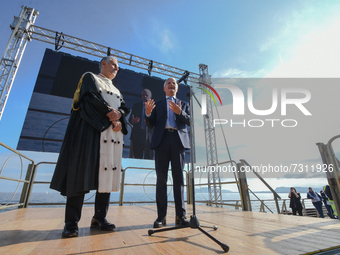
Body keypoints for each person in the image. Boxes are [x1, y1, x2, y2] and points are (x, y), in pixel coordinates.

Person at [50, 56, 130, 238]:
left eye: (118, 66)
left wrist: (119, 115)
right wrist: (113, 117)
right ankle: (71, 222)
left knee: (107, 177)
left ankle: (99, 218)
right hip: (91, 131)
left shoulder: (117, 90)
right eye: (113, 64)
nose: (116, 68)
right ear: (103, 64)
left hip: (112, 135)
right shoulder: (90, 77)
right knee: (80, 174)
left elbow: (125, 108)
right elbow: (90, 99)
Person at [145, 77, 190, 228]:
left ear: (177, 88)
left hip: (178, 141)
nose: (171, 85)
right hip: (161, 141)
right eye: (168, 83)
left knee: (179, 180)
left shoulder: (184, 104)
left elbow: (190, 121)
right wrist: (148, 113)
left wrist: (180, 112)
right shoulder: (156, 104)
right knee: (161, 179)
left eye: (174, 83)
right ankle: (161, 217)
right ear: (164, 88)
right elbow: (150, 125)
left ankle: (180, 216)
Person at [129, 88, 153, 159]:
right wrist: (133, 121)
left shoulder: (154, 108)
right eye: (143, 95)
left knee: (148, 158)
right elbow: (130, 119)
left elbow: (157, 122)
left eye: (146, 95)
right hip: (138, 135)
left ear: (150, 97)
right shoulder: (136, 106)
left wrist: (150, 122)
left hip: (149, 136)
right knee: (137, 157)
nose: (145, 97)